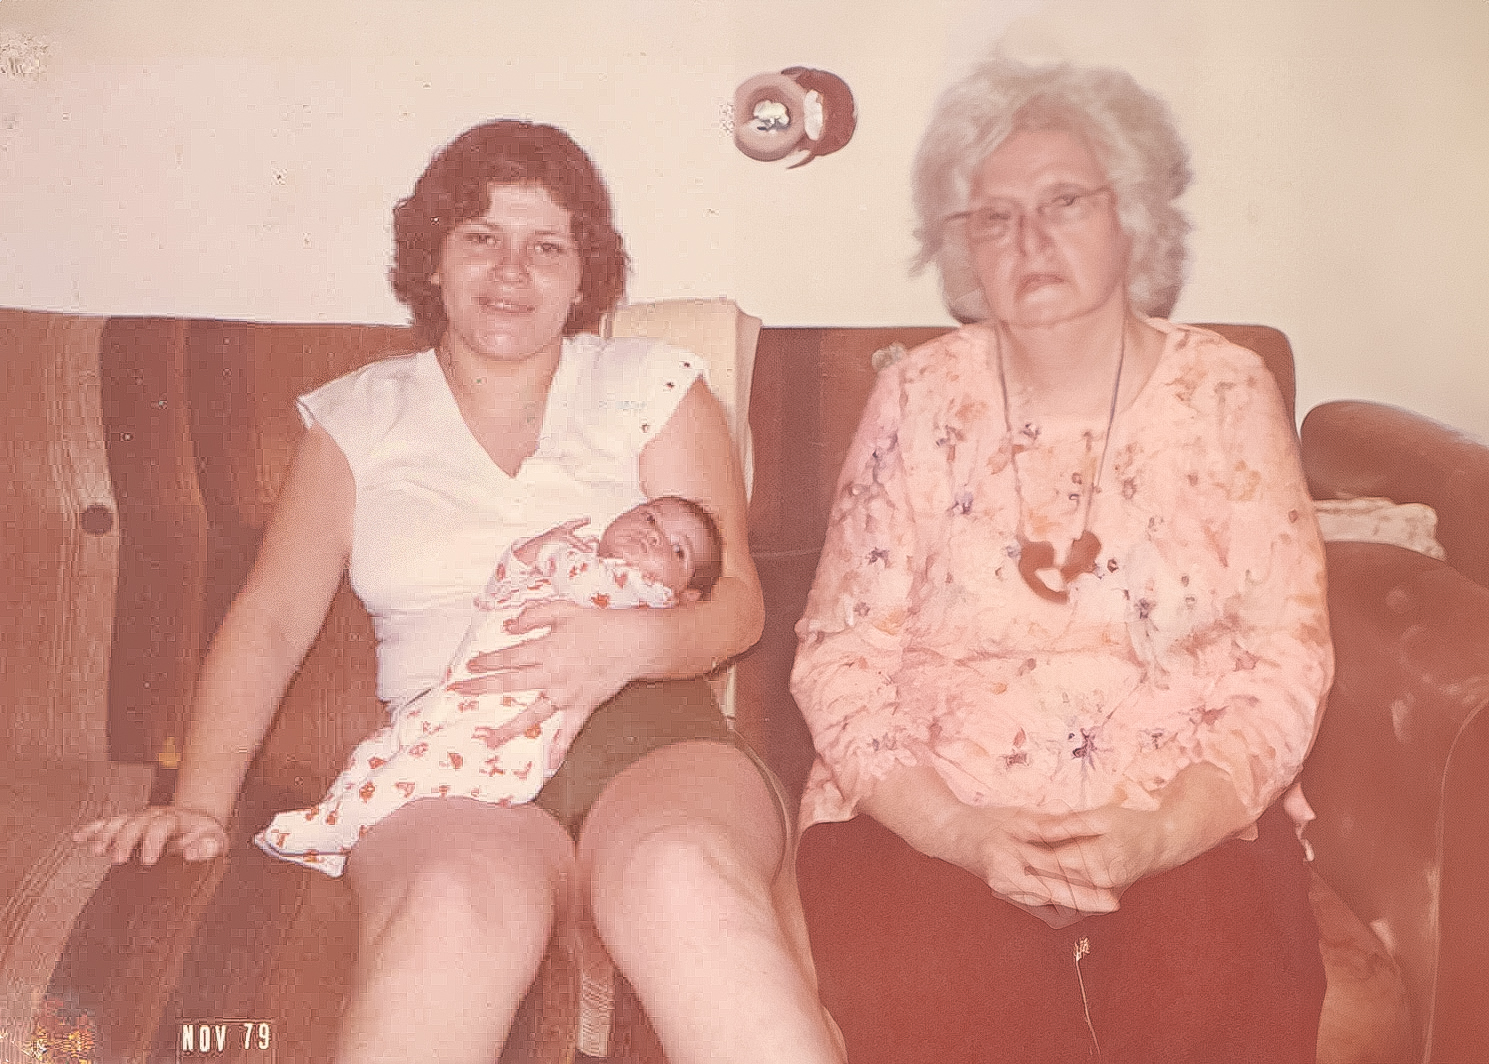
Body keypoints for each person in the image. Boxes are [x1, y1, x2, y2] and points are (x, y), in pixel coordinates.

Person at [74, 119, 845, 1064]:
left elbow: (736, 607)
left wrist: (626, 647)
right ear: (432, 259)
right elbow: (272, 620)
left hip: (656, 740)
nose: (511, 270)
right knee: (449, 912)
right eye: (481, 236)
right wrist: (198, 804)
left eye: (546, 246)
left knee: (683, 878)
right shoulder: (357, 418)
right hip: (447, 761)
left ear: (583, 274)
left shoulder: (651, 385)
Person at [791, 56, 1333, 1064]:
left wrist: (1162, 832)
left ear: (1131, 215)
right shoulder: (914, 395)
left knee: (1217, 988)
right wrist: (958, 832)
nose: (1028, 240)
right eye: (993, 218)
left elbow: (1283, 656)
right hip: (932, 818)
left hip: (1180, 814)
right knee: (951, 1006)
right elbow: (838, 655)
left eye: (1063, 203)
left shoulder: (1224, 390)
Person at [256, 495, 725, 875]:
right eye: (650, 516)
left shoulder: (644, 595)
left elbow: (586, 582)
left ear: (685, 597)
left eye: (677, 550)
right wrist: (524, 554)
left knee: (411, 773)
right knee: (378, 750)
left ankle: (333, 826)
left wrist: (546, 551)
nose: (654, 535)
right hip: (453, 698)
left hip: (499, 737)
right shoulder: (575, 556)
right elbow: (495, 590)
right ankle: (335, 829)